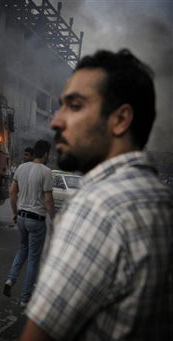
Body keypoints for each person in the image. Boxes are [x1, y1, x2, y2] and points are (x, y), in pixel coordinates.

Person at [21, 49, 173, 340]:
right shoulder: (160, 199)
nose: (56, 121)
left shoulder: (97, 208)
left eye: (75, 106)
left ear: (120, 119)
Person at [3, 140, 55, 307]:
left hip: (22, 218)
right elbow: (48, 199)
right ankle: (25, 298)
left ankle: (11, 279)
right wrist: (56, 219)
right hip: (36, 220)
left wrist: (15, 212)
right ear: (46, 153)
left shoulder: (22, 168)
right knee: (33, 259)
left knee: (23, 248)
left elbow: (12, 192)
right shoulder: (46, 172)